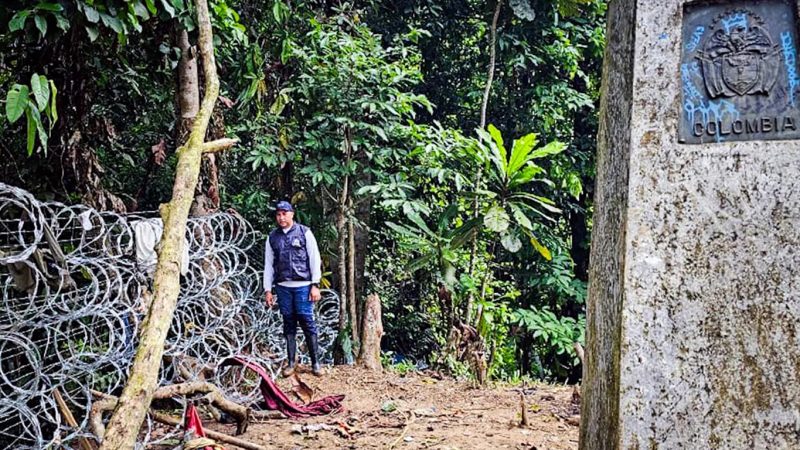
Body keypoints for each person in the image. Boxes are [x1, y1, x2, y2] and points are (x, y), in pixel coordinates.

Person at [264, 201, 323, 376]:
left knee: (307, 322)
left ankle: (315, 363)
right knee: (288, 323)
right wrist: (268, 289)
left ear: (292, 214)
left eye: (284, 214)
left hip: (303, 286)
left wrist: (315, 284)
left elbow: (314, 258)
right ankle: (291, 362)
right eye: (278, 214)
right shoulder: (272, 237)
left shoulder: (305, 233)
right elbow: (269, 265)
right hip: (283, 287)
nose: (281, 218)